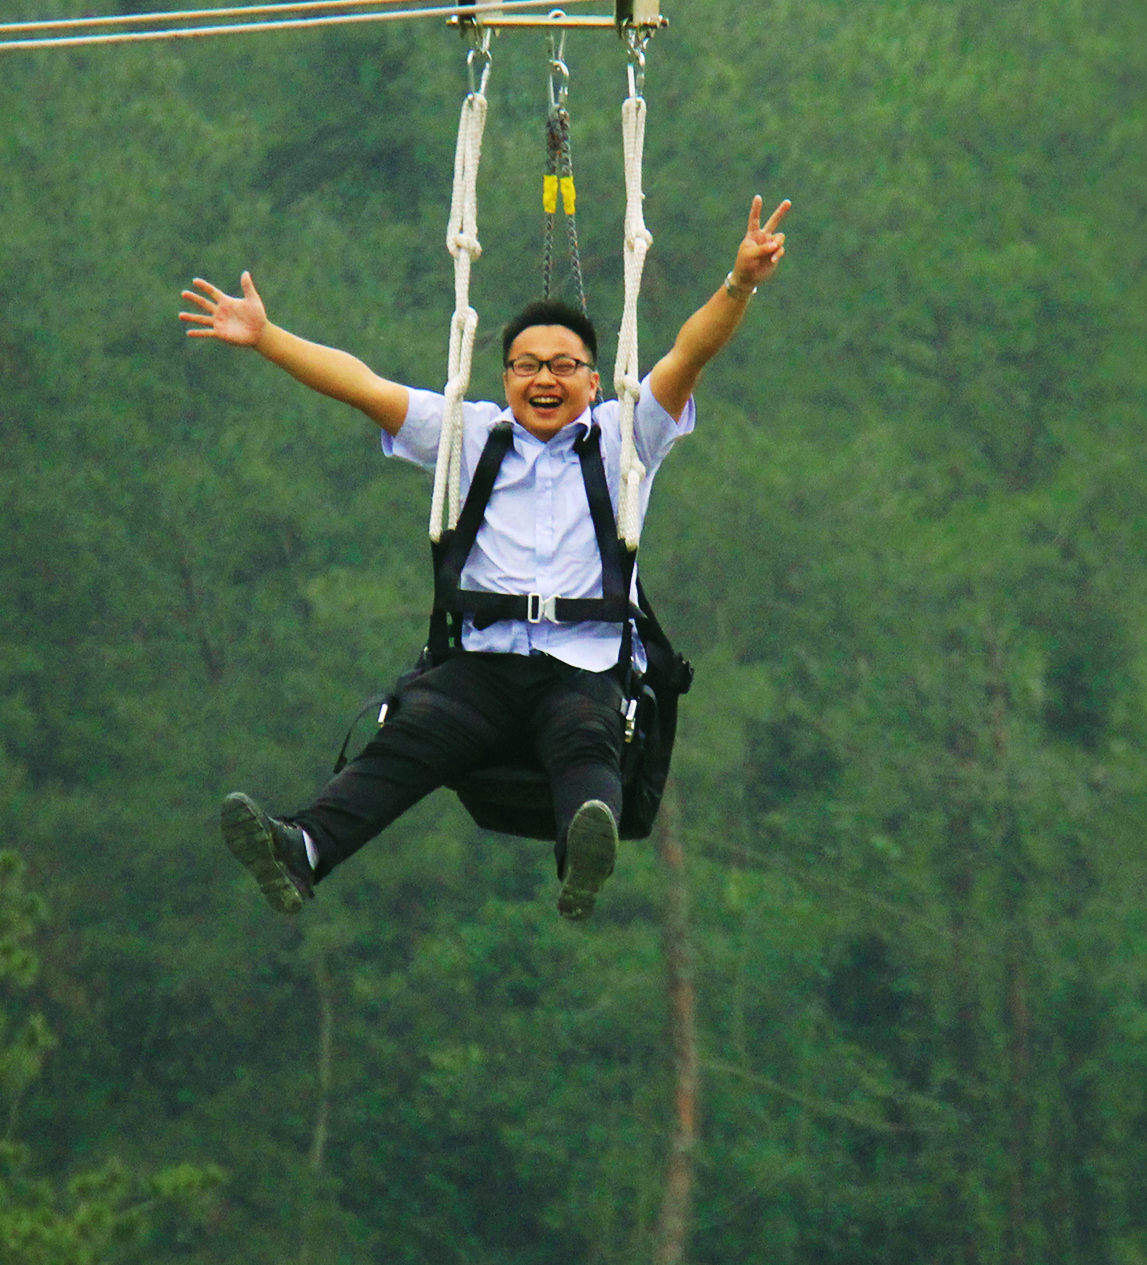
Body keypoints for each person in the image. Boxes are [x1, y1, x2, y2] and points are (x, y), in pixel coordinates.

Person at [180, 195, 791, 921]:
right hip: (482, 668)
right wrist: (267, 338)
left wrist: (738, 284)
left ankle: (582, 854)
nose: (544, 380)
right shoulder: (467, 437)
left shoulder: (624, 438)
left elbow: (689, 354)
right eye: (526, 366)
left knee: (587, 739)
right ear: (505, 380)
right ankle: (303, 848)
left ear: (594, 381)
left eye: (563, 367)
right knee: (411, 735)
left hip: (583, 665)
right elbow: (363, 386)